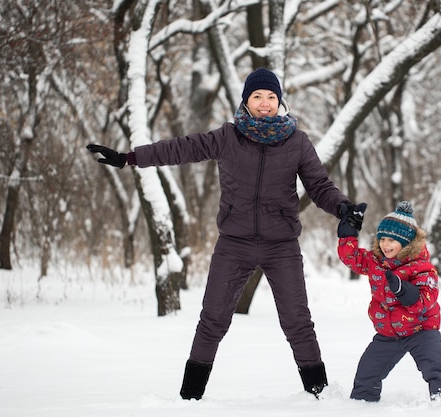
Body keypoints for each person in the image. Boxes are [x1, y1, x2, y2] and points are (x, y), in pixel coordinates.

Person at [87, 67, 356, 400]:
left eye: (271, 97)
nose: (265, 103)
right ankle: (189, 398)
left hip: (281, 246)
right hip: (235, 244)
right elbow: (180, 149)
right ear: (245, 101)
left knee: (298, 322)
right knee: (212, 320)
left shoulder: (296, 141)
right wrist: (129, 157)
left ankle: (319, 396)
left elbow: (319, 185)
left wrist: (342, 208)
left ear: (279, 101)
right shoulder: (228, 137)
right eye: (257, 96)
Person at [337, 201, 441, 408]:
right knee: (368, 371)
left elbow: (426, 299)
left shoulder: (421, 267)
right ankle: (362, 405)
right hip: (388, 333)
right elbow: (353, 258)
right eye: (382, 238)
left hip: (421, 330)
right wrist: (348, 233)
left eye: (392, 240)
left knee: (437, 366)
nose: (385, 244)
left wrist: (404, 290)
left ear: (407, 242)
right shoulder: (377, 261)